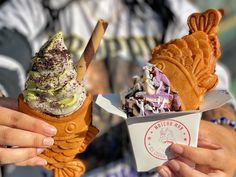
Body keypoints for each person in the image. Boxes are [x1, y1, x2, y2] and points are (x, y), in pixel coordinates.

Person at [0, 0, 235, 177]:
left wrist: (227, 130)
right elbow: (5, 62)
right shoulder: (31, 8)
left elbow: (213, 87)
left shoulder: (172, 12)